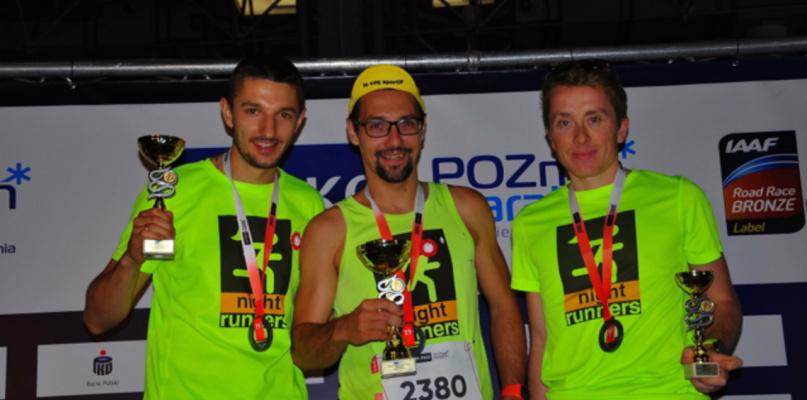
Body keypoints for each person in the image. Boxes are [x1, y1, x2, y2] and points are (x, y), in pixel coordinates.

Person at [83, 55, 324, 399]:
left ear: (299, 120)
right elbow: (97, 320)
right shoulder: (174, 192)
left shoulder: (309, 203)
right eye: (253, 111)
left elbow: (312, 327)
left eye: (283, 115)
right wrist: (131, 260)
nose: (268, 131)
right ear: (228, 113)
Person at [291, 64, 528, 400]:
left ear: (423, 128)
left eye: (406, 123)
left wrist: (514, 390)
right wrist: (343, 329)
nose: (394, 140)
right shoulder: (329, 230)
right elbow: (303, 353)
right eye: (377, 126)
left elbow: (504, 306)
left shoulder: (467, 208)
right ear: (353, 132)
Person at [510, 60, 744, 399]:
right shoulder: (530, 222)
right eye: (565, 122)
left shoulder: (678, 197)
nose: (580, 137)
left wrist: (709, 349)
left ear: (621, 129)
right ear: (550, 137)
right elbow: (543, 339)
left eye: (594, 119)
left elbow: (720, 300)